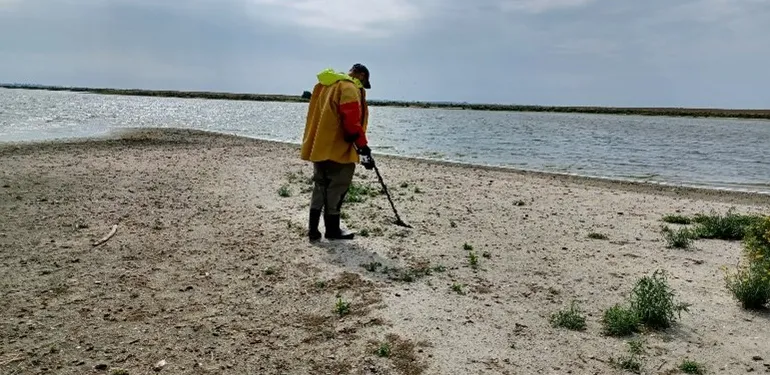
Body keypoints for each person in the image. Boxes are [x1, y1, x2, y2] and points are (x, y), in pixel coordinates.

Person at [300, 63, 376, 241]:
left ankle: (313, 230)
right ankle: (332, 230)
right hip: (338, 149)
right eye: (364, 82)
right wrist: (363, 148)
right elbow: (351, 122)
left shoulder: (326, 86)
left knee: (320, 186)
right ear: (362, 75)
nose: (362, 86)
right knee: (337, 187)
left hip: (320, 145)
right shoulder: (348, 88)